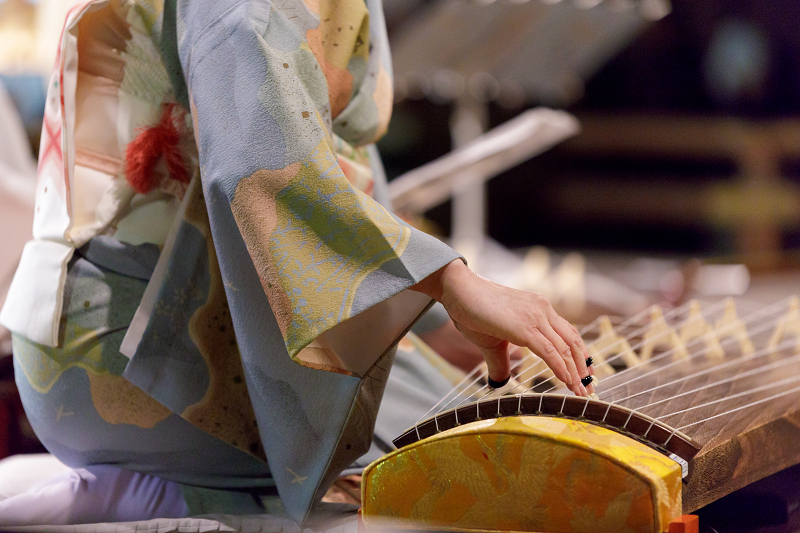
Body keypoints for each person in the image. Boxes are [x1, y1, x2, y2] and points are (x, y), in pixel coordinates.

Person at [0, 0, 593, 526]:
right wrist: (446, 279)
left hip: (198, 301)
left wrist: (433, 317)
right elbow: (262, 165)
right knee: (441, 466)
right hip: (126, 344)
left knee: (464, 421)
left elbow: (330, 163)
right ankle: (172, 493)